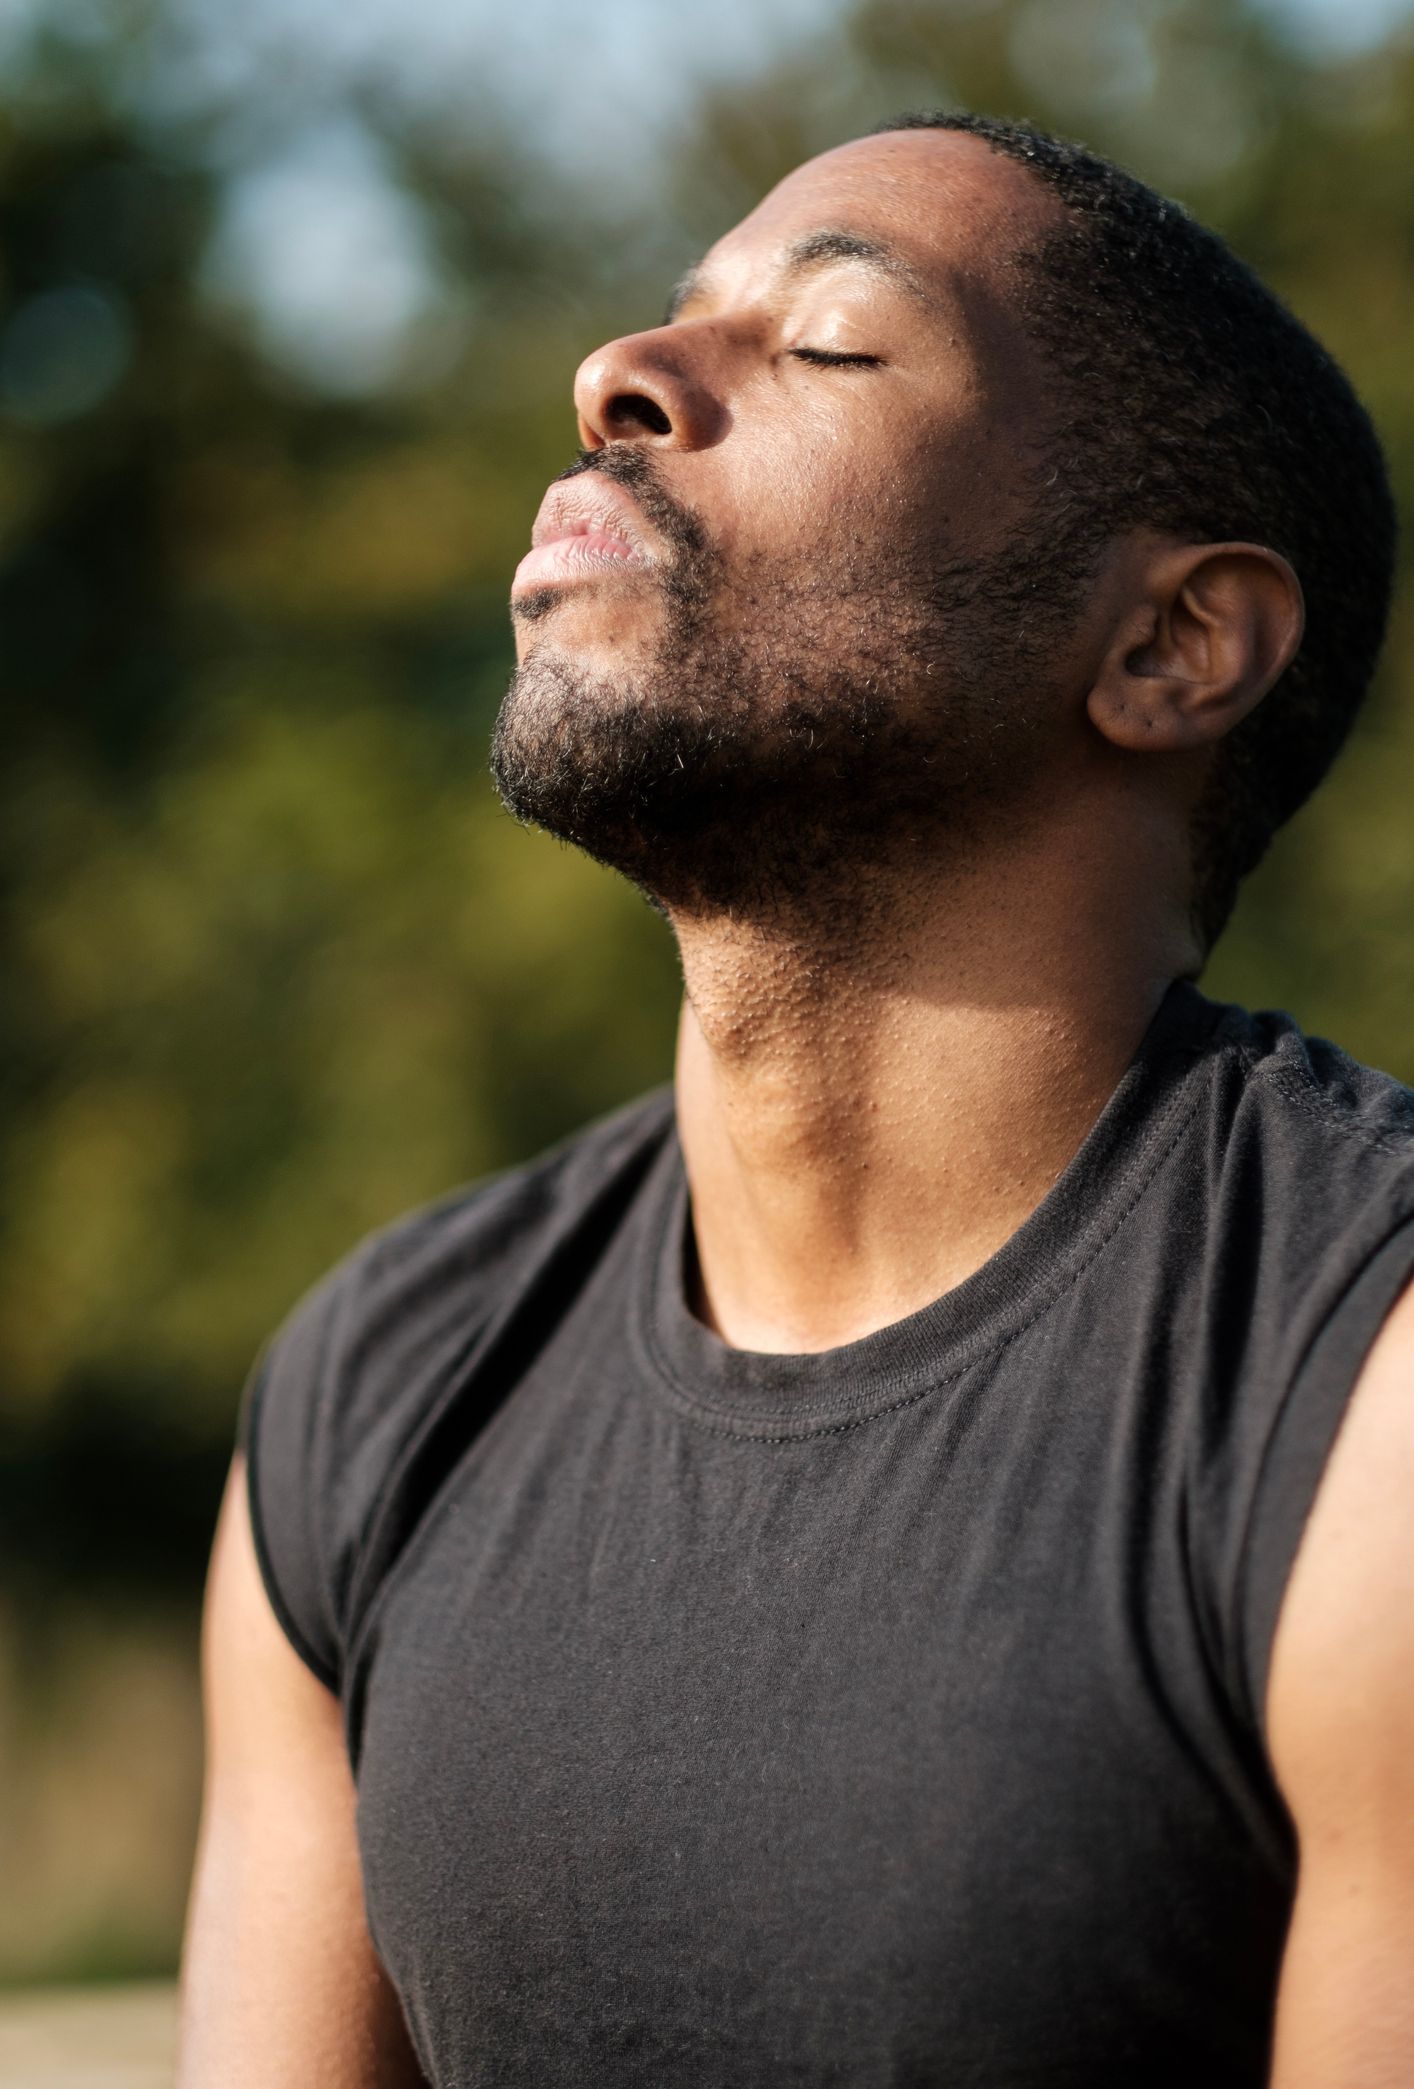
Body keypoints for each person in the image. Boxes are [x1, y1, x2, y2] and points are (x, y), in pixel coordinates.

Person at [176, 113, 1414, 2088]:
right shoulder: (375, 1388)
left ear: (1170, 645)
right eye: (669, 325)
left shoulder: (1359, 1399)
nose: (616, 380)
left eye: (830, 340)